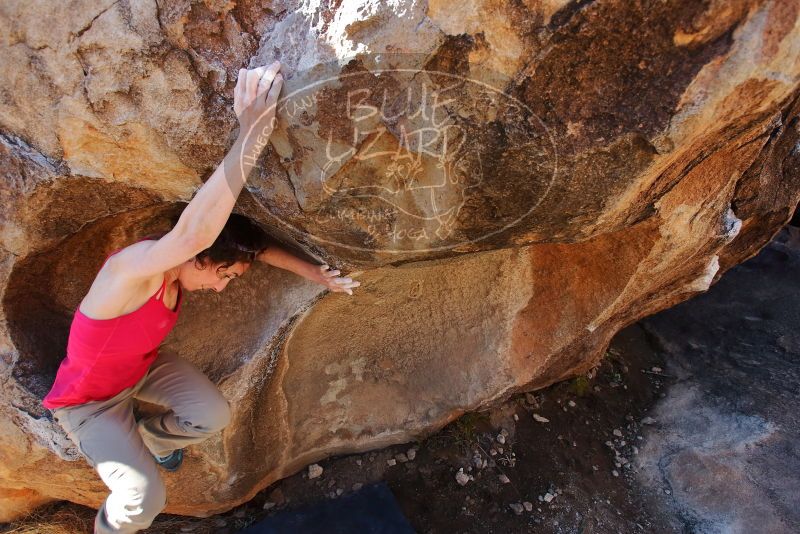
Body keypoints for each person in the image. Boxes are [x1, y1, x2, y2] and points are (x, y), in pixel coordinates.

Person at [42, 60, 360, 533]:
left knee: (212, 415)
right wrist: (252, 131)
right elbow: (195, 231)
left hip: (142, 368)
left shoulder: (182, 270)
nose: (221, 286)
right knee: (144, 497)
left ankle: (153, 437)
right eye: (224, 276)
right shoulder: (131, 271)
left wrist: (313, 271)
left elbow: (249, 247)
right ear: (197, 257)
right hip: (89, 405)